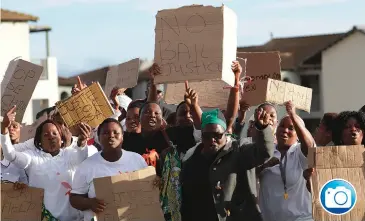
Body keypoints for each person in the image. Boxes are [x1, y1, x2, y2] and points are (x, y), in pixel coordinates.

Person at [180, 108, 275, 221]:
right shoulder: (192, 159)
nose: (212, 140)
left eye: (217, 135)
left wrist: (263, 129)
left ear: (225, 133)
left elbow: (263, 153)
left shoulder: (239, 150)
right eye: (207, 136)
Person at [1, 106, 91, 221]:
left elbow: (82, 159)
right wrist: (4, 129)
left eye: (55, 133)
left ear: (61, 138)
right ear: (39, 141)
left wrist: (82, 142)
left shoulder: (70, 155)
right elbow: (10, 155)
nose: (51, 137)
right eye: (46, 135)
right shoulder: (32, 157)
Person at [69, 118, 147, 221]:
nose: (111, 135)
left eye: (116, 132)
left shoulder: (137, 159)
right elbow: (74, 198)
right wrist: (89, 203)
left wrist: (155, 182)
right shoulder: (87, 166)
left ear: (122, 137)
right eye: (106, 133)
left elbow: (148, 188)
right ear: (99, 138)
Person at [258, 101, 315, 221]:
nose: (285, 130)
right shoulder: (266, 152)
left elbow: (311, 147)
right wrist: (263, 166)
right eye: (282, 126)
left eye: (291, 128)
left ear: (298, 134)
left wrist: (293, 115)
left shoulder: (299, 152)